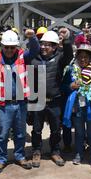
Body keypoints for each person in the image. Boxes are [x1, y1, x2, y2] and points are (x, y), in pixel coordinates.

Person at [0, 29, 40, 174]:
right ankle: (1, 159)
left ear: (16, 47)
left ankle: (20, 156)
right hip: (4, 105)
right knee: (2, 134)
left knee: (20, 133)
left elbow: (35, 50)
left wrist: (32, 38)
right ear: (2, 46)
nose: (10, 50)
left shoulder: (23, 57)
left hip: (20, 103)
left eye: (13, 47)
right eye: (7, 47)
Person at [30, 31, 74, 168]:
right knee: (37, 129)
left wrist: (66, 40)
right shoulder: (34, 60)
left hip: (55, 100)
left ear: (55, 47)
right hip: (38, 101)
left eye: (47, 45)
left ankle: (55, 151)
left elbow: (69, 55)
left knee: (55, 129)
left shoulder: (60, 59)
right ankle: (36, 151)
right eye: (42, 44)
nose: (43, 47)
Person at [62, 43, 91, 169]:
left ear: (90, 58)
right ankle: (79, 153)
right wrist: (70, 86)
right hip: (77, 106)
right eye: (80, 56)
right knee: (79, 132)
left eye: (86, 57)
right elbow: (63, 86)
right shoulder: (71, 69)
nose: (82, 59)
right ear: (76, 57)